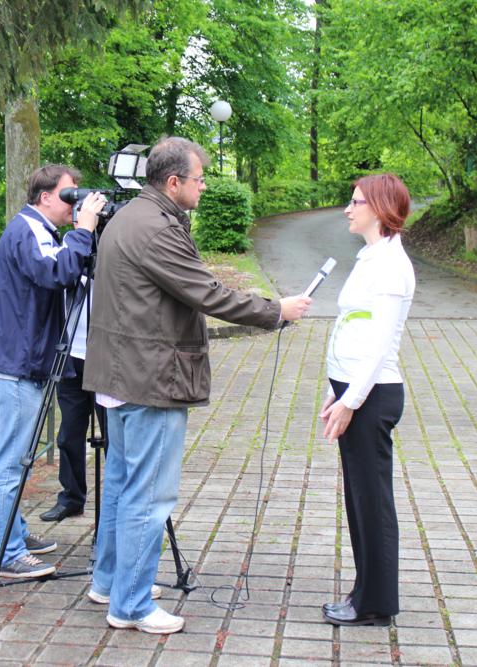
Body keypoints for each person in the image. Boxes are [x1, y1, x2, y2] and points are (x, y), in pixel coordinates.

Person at [83, 137, 311, 634]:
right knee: (149, 496)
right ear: (173, 182)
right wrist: (276, 310)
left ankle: (111, 581)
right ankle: (131, 605)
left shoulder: (128, 216)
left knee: (121, 486)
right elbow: (207, 293)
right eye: (199, 179)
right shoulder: (157, 228)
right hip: (149, 378)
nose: (204, 186)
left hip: (120, 376)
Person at [0, 164, 106, 579]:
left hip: (23, 363)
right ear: (45, 196)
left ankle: (14, 533)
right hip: (16, 367)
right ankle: (8, 554)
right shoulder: (27, 230)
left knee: (14, 461)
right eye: (69, 195)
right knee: (9, 465)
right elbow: (56, 273)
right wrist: (83, 230)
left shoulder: (38, 231)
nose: (74, 203)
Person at [319, 173, 416, 628]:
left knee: (372, 502)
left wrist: (351, 400)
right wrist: (334, 391)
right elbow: (351, 330)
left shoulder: (391, 266)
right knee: (360, 500)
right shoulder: (371, 257)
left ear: (379, 208)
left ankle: (375, 603)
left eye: (356, 202)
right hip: (355, 392)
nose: (347, 208)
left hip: (372, 397)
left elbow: (378, 347)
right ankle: (365, 593)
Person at [39, 280, 103, 523]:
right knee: (68, 434)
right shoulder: (68, 259)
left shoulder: (111, 255)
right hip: (70, 356)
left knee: (114, 436)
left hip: (104, 356)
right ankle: (71, 498)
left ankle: (118, 503)